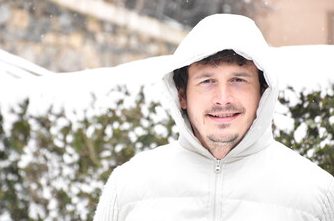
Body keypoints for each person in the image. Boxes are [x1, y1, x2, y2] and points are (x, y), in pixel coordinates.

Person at [93, 14, 334, 221]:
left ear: (262, 92)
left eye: (238, 80)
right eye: (207, 81)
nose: (223, 98)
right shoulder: (127, 187)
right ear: (182, 96)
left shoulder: (317, 194)